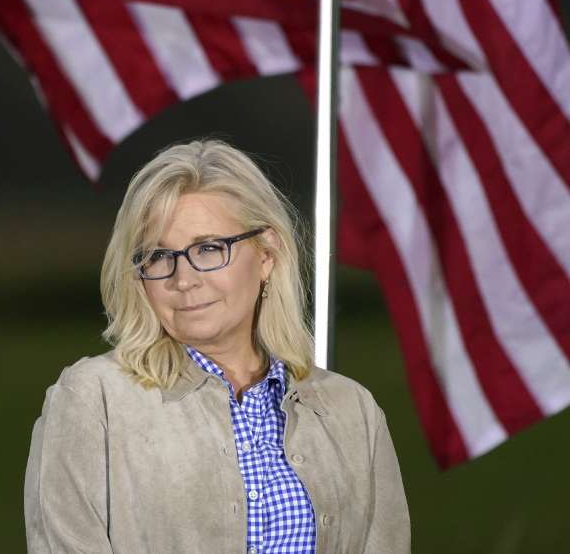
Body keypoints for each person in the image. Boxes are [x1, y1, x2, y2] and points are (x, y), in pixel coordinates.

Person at [24, 139, 410, 554]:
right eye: (158, 256)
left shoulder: (354, 412)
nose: (183, 279)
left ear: (266, 254)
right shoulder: (92, 400)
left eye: (209, 249)